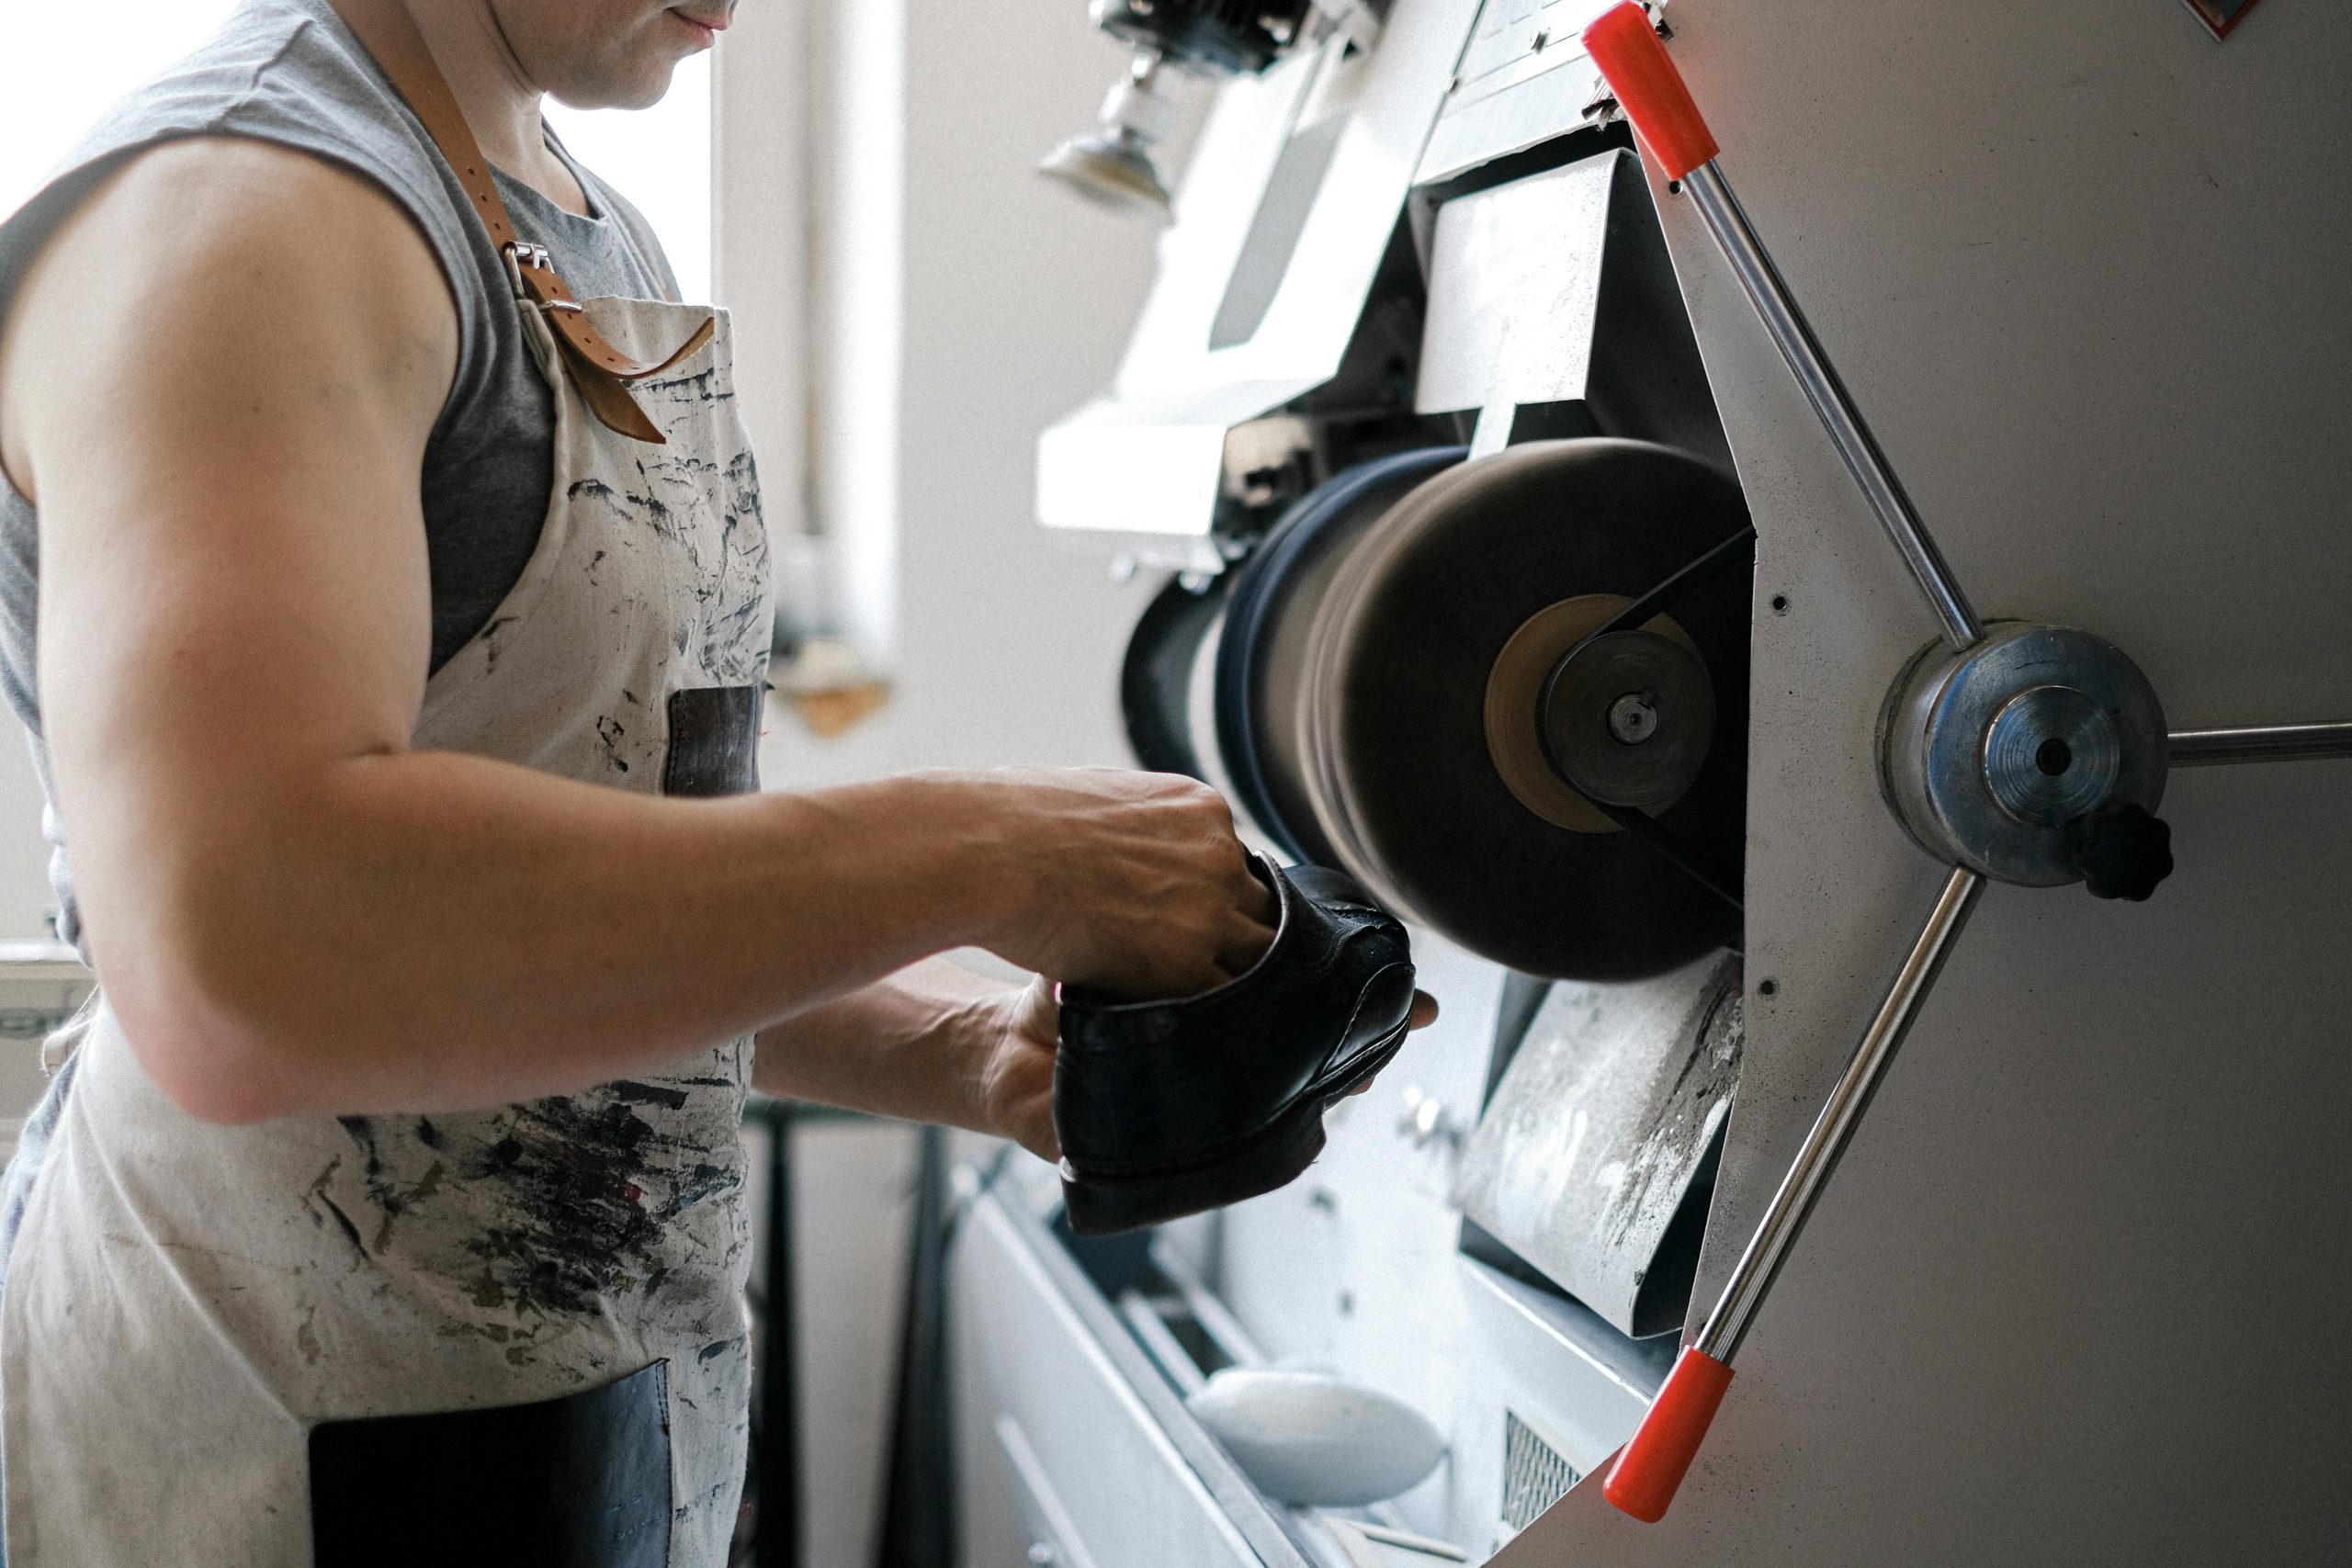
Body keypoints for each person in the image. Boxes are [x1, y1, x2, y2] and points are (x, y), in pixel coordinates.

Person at [0, 0, 1414, 1559]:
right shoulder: (245, 212)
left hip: (554, 1412)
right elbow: (250, 946)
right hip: (258, 1436)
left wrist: (956, 1053)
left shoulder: (578, 224)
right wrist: (1004, 850)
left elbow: (569, 898)